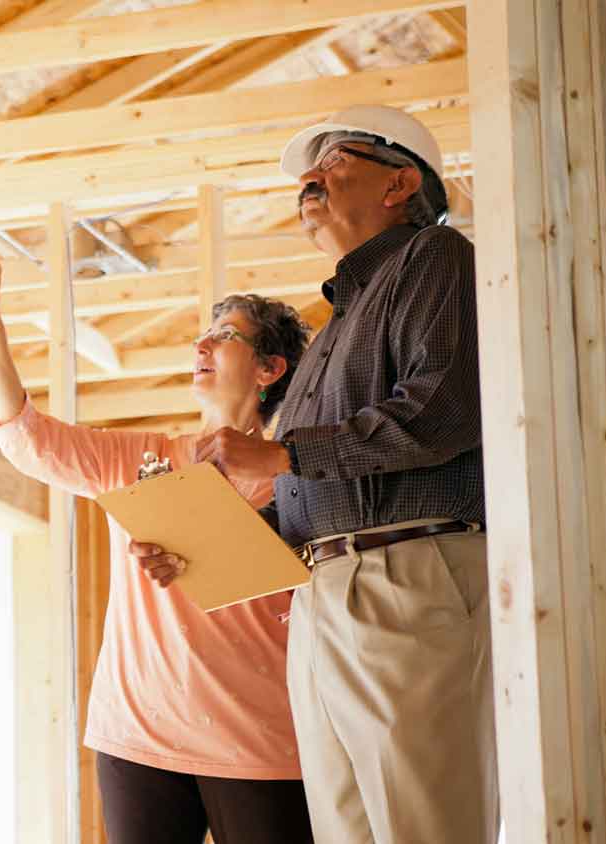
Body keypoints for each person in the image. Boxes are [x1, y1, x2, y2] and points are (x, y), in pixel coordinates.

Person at [156, 105, 495, 843]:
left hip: (407, 570)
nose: (311, 178)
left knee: (423, 825)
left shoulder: (434, 260)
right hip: (325, 594)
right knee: (348, 830)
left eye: (336, 161)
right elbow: (312, 486)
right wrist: (208, 546)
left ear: (400, 182)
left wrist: (284, 456)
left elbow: (439, 411)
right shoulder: (337, 321)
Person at [0, 222, 315, 844]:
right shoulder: (141, 459)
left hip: (261, 739)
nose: (203, 344)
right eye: (203, 335)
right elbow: (26, 438)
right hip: (137, 736)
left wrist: (227, 553)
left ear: (269, 369)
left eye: (226, 336)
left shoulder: (301, 471)